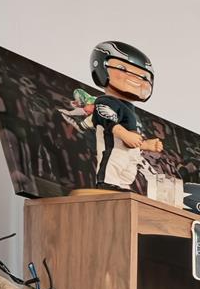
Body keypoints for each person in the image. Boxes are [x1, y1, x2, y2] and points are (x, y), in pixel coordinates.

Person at [67, 42, 164, 191]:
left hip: (130, 154)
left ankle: (121, 187)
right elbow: (110, 123)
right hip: (114, 146)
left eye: (143, 76)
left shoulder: (131, 110)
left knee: (128, 171)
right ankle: (106, 183)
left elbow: (133, 137)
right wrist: (124, 134)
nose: (135, 78)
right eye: (122, 68)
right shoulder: (105, 101)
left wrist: (146, 145)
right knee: (113, 162)